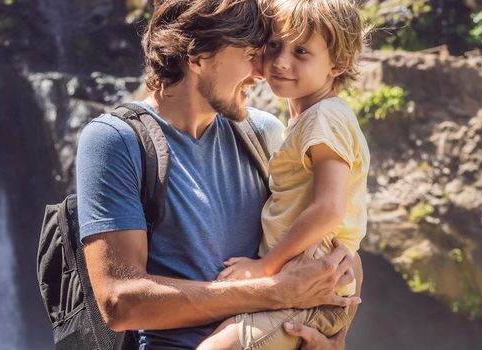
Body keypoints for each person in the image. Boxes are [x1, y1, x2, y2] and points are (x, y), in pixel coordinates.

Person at [74, 0, 363, 349]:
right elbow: (120, 302)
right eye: (253, 53)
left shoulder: (263, 133)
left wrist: (334, 340)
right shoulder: (117, 140)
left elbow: (336, 246)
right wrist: (274, 291)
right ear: (197, 57)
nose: (263, 71)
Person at [195, 0, 370, 348]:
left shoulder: (325, 118)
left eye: (301, 51)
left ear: (338, 64)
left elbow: (330, 209)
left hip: (309, 290)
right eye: (274, 45)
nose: (281, 62)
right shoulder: (306, 120)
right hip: (304, 289)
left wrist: (266, 268)